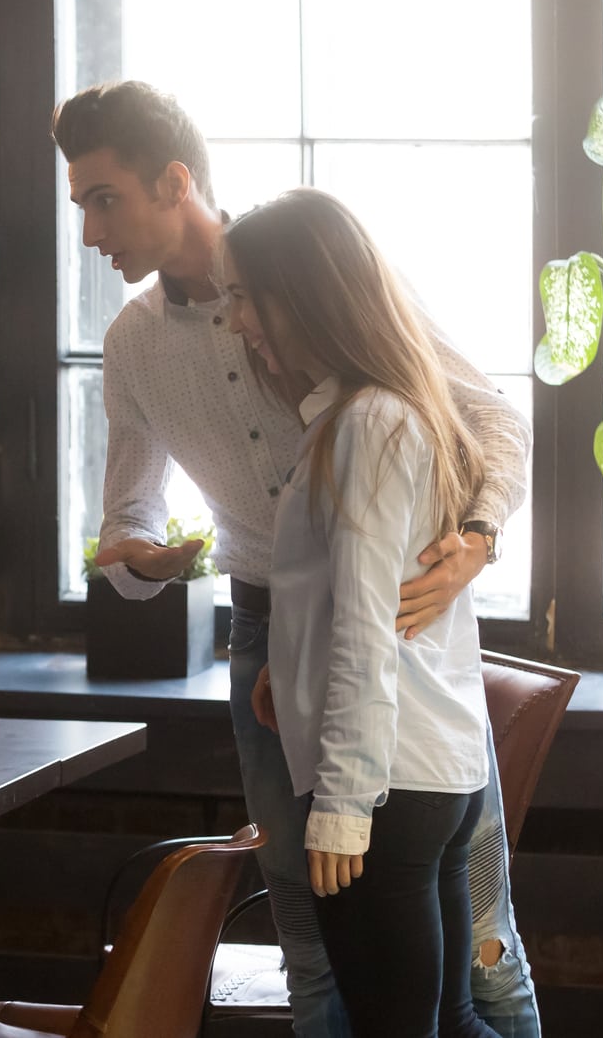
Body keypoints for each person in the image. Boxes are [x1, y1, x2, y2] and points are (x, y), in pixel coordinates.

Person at [52, 81, 538, 1037]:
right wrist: (139, 559)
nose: (88, 231)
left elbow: (492, 418)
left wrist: (476, 540)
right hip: (270, 630)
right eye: (78, 206)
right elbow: (127, 517)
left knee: (481, 931)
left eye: (102, 199)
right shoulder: (133, 344)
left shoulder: (309, 273)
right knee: (305, 920)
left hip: (397, 626)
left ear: (174, 183)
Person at [224, 187, 501, 1037]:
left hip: (383, 790)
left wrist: (342, 807)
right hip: (428, 776)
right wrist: (290, 669)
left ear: (301, 294)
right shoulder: (376, 415)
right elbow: (346, 602)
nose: (235, 323)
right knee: (447, 1021)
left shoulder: (366, 425)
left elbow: (364, 626)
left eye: (242, 296)